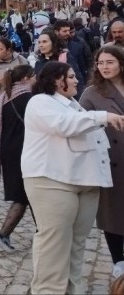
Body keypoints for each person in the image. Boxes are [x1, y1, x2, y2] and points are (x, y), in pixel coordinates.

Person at [23, 61, 122, 294]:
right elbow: (64, 125)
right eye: (70, 76)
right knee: (54, 244)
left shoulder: (72, 104)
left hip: (84, 182)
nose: (76, 80)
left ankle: (72, 289)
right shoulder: (40, 102)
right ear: (57, 80)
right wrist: (103, 116)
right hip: (52, 181)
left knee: (77, 245)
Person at [79, 46, 124, 280]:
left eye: (110, 62)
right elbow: (80, 123)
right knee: (113, 212)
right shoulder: (92, 93)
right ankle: (119, 260)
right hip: (111, 159)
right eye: (100, 63)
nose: (104, 67)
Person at [0, 65, 35, 253]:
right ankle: (3, 234)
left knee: (25, 196)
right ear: (25, 78)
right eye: (34, 76)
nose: (36, 79)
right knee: (26, 195)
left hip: (8, 150)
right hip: (24, 151)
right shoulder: (29, 99)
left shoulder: (5, 97)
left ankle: (6, 234)